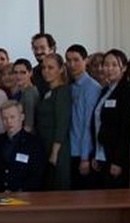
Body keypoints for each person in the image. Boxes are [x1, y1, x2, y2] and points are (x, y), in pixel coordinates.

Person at [94, 51, 130, 188]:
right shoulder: (105, 91)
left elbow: (126, 129)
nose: (109, 69)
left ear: (124, 68)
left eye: (114, 65)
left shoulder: (128, 92)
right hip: (103, 153)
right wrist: (97, 154)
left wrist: (119, 161)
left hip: (117, 157)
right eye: (106, 65)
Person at [0, 101, 46, 192]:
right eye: (5, 118)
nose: (9, 121)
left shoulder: (34, 144)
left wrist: (18, 192)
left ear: (22, 117)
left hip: (24, 196)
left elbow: (37, 175)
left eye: (12, 117)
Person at [66, 45, 101, 190]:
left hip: (83, 152)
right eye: (68, 60)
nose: (72, 64)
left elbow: (89, 124)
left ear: (85, 61)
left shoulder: (92, 87)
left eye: (76, 60)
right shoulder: (71, 87)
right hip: (71, 150)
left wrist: (85, 157)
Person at [35, 53, 72, 190]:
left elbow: (62, 122)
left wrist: (55, 152)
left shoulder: (62, 92)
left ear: (61, 69)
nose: (46, 71)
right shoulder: (47, 92)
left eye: (50, 68)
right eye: (44, 68)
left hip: (57, 148)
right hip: (44, 145)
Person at [11, 59, 39, 132]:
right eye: (15, 72)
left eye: (23, 72)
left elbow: (29, 125)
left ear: (30, 73)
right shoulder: (20, 92)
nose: (18, 76)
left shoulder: (29, 94)